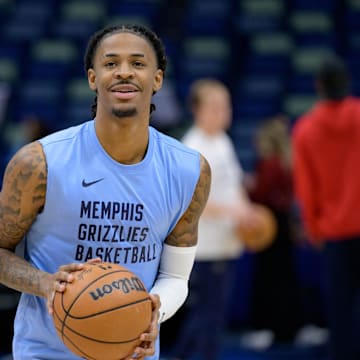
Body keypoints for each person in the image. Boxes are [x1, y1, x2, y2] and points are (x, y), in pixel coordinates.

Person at [0, 24, 211, 360]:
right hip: (46, 352)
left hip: (133, 352)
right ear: (92, 78)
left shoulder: (189, 170)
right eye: (111, 63)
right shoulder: (39, 162)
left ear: (157, 79)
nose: (124, 72)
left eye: (138, 64)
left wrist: (154, 311)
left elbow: (174, 275)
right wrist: (44, 283)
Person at [169, 78, 259, 360]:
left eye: (226, 106)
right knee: (207, 318)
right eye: (216, 107)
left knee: (210, 317)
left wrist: (247, 209)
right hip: (205, 248)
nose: (223, 112)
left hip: (225, 243)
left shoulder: (222, 140)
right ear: (198, 110)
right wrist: (236, 212)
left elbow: (233, 186)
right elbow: (193, 203)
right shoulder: (193, 147)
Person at [292, 54, 360, 360]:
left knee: (340, 310)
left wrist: (314, 228)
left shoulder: (305, 130)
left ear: (318, 86)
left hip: (334, 232)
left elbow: (306, 189)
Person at [245, 115, 303, 347]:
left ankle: (268, 327)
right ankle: (290, 327)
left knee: (269, 277)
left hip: (268, 224)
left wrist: (248, 187)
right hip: (283, 223)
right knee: (286, 276)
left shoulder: (270, 164)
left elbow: (260, 194)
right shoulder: (287, 161)